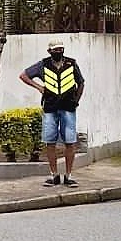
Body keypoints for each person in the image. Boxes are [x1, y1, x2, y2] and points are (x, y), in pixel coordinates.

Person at [19, 39, 85, 187]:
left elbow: (81, 82)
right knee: (50, 142)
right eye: (55, 50)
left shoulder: (71, 63)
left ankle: (68, 176)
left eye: (60, 49)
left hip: (68, 107)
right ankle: (54, 175)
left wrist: (76, 100)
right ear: (49, 51)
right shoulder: (43, 64)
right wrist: (39, 87)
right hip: (50, 107)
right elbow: (23, 75)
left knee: (70, 142)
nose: (58, 52)